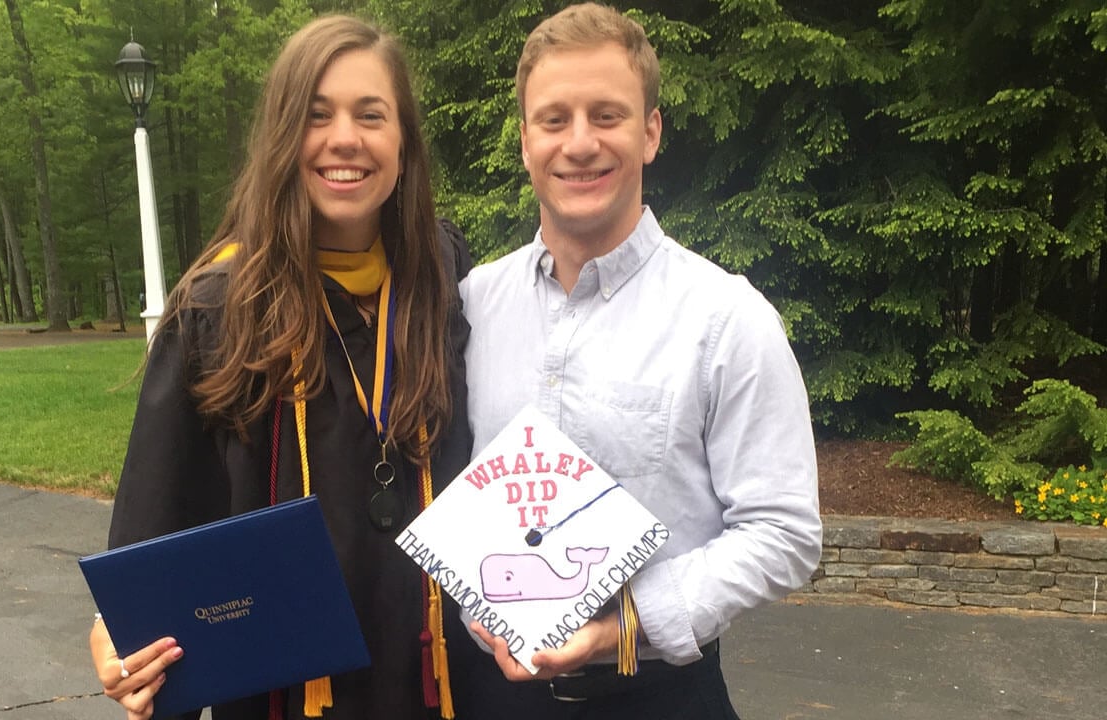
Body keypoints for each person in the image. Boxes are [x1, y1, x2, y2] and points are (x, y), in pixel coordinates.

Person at [87, 15, 476, 720]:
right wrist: (118, 638)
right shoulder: (221, 306)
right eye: (315, 115)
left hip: (431, 684)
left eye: (371, 115)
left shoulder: (441, 278)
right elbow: (155, 516)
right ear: (280, 138)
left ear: (404, 142)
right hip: (283, 698)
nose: (345, 139)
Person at [454, 4, 822, 718]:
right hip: (485, 698)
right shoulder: (469, 307)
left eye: (607, 115)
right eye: (554, 119)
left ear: (650, 132)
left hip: (658, 697)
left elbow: (785, 534)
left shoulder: (726, 320)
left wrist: (621, 625)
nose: (580, 143)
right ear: (526, 140)